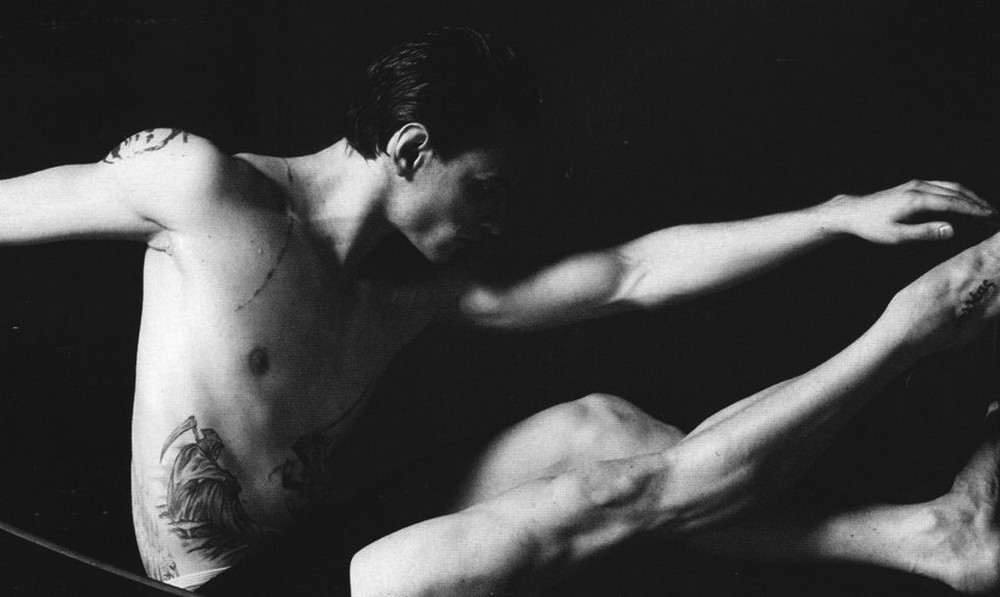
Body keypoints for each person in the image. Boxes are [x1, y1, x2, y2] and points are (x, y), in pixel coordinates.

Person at [0, 26, 995, 592]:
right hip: (209, 589)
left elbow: (631, 272)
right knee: (603, 499)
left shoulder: (415, 286)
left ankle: (933, 538)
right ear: (411, 149)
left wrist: (832, 216)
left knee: (600, 430)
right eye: (490, 189)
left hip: (316, 554)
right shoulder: (199, 188)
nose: (501, 223)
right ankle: (915, 327)